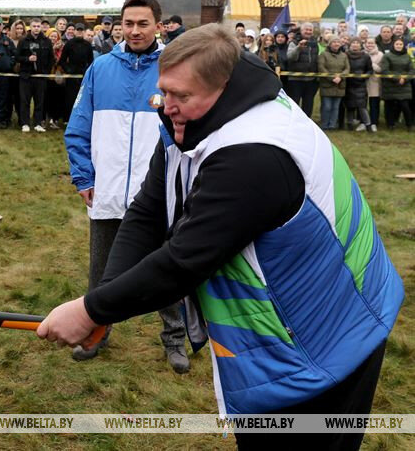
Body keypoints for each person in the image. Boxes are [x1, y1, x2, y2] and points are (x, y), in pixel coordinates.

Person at [40, 24, 403, 450]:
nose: (165, 106)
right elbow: (148, 211)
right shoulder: (194, 116)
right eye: (164, 91)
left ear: (223, 87)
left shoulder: (254, 157)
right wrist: (103, 303)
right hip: (290, 327)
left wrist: (89, 310)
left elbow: (182, 263)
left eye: (181, 97)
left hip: (329, 339)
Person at [64, 0, 187, 370]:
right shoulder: (100, 69)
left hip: (157, 195)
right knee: (102, 272)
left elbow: (188, 129)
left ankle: (175, 339)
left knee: (165, 268)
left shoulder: (175, 67)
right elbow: (77, 128)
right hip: (108, 190)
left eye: (142, 23)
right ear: (120, 25)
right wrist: (84, 176)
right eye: (128, 24)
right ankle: (96, 330)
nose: (134, 30)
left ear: (158, 25)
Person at [16, 18, 53, 132]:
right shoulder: (23, 41)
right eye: (34, 26)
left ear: (41, 27)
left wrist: (45, 72)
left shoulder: (46, 41)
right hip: (26, 76)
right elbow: (17, 57)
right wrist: (27, 59)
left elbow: (51, 59)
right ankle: (25, 123)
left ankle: (37, 123)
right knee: (25, 101)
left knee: (39, 101)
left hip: (40, 77)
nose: (36, 28)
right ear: (30, 27)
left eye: (38, 26)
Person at [59, 21, 94, 125]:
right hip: (71, 76)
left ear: (83, 32)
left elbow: (91, 61)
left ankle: (82, 119)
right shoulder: (69, 44)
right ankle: (67, 119)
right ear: (74, 31)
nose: (79, 32)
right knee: (70, 99)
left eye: (81, 30)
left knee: (83, 99)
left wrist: (87, 71)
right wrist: (68, 70)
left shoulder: (87, 45)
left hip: (83, 76)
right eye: (77, 30)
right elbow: (62, 60)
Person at [286, 21, 320, 118]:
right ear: (301, 30)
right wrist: (298, 48)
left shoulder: (314, 43)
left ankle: (306, 123)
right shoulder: (293, 42)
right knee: (295, 104)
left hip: (310, 80)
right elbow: (290, 57)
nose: (308, 32)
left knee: (308, 104)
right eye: (306, 30)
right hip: (296, 80)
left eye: (310, 30)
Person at [379, 38, 413, 130]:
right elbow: (385, 70)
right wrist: (397, 78)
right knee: (389, 106)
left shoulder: (407, 56)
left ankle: (409, 125)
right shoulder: (387, 56)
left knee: (405, 106)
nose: (398, 46)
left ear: (403, 46)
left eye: (400, 44)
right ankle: (390, 124)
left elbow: (411, 70)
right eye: (397, 44)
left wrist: (404, 79)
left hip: (404, 86)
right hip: (390, 85)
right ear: (393, 45)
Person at [317, 36, 349, 130]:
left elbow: (347, 68)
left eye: (338, 42)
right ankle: (324, 124)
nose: (336, 44)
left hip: (340, 85)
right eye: (334, 42)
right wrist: (331, 78)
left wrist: (341, 77)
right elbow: (321, 67)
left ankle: (332, 125)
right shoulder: (323, 54)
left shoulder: (344, 56)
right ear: (330, 44)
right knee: (326, 106)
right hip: (327, 84)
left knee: (335, 107)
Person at [344, 39, 372, 131]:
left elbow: (370, 70)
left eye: (357, 43)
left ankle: (368, 125)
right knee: (350, 106)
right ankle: (350, 124)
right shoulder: (345, 55)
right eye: (353, 43)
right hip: (348, 84)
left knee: (362, 107)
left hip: (360, 84)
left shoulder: (366, 56)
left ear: (361, 45)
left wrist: (364, 77)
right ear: (350, 45)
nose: (355, 45)